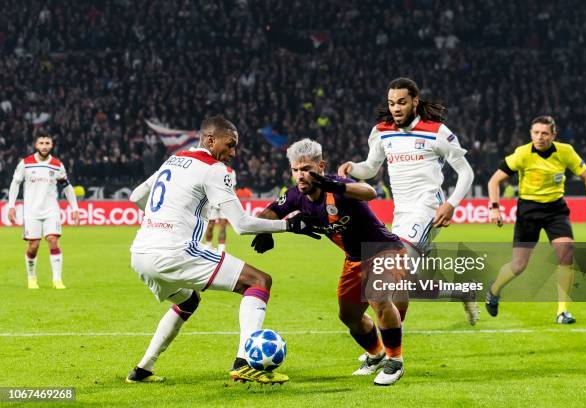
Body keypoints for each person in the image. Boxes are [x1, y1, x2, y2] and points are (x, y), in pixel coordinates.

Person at [126, 116, 319, 385]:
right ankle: (244, 363)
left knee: (188, 301)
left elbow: (136, 197)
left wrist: (159, 222)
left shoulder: (174, 159)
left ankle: (142, 369)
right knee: (259, 281)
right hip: (174, 251)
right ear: (210, 140)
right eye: (230, 145)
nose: (233, 153)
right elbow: (240, 224)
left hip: (140, 253)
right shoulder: (215, 169)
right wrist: (288, 226)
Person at [252, 139, 416, 386]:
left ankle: (395, 361)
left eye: (306, 168)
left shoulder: (338, 186)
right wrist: (266, 229)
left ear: (321, 166)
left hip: (384, 250)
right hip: (353, 260)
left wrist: (336, 186)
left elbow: (369, 192)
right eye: (296, 170)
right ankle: (377, 354)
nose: (300, 175)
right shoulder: (295, 195)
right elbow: (269, 212)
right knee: (349, 317)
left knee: (378, 295)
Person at [337, 77, 477, 314]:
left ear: (414, 101)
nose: (396, 108)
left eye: (402, 102)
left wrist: (451, 204)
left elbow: (466, 172)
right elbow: (371, 168)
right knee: (405, 285)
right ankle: (461, 291)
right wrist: (352, 167)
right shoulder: (382, 132)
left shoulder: (437, 131)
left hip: (428, 206)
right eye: (392, 103)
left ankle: (388, 347)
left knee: (392, 274)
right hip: (400, 213)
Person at [486, 115, 586, 324]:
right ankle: (493, 290)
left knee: (566, 254)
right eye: (536, 133)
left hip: (555, 210)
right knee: (519, 266)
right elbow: (494, 181)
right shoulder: (522, 154)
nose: (539, 137)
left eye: (544, 133)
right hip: (528, 212)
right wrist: (495, 208)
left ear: (553, 135)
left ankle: (562, 311)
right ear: (531, 134)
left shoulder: (565, 151)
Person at [7, 129, 80, 289]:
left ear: (52, 145)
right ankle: (32, 278)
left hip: (51, 211)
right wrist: (11, 206)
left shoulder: (57, 165)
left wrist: (74, 208)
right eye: (41, 143)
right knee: (33, 246)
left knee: (53, 240)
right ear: (36, 145)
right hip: (31, 212)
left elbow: (67, 188)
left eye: (47, 143)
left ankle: (57, 280)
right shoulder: (25, 163)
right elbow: (15, 183)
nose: (44, 146)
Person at [204, 168, 235, 252]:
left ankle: (221, 251)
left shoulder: (231, 172)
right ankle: (208, 247)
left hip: (224, 203)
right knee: (210, 226)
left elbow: (232, 188)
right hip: (212, 203)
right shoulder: (211, 170)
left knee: (223, 227)